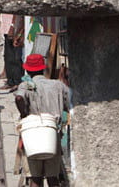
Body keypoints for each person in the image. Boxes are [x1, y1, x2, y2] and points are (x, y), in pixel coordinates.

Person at [15, 54, 70, 187]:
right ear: (43, 69)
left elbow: (18, 99)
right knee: (53, 178)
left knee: (36, 178)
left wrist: (24, 114)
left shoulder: (26, 85)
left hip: (33, 134)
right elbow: (70, 104)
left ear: (27, 70)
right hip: (52, 133)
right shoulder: (58, 85)